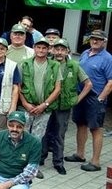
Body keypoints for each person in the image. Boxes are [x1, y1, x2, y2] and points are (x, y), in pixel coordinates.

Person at [65, 30, 112, 172]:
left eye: (98, 39)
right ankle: (80, 154)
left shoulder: (108, 58)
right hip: (81, 94)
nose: (95, 41)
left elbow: (110, 82)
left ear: (104, 41)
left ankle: (95, 162)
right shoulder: (85, 53)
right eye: (93, 38)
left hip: (95, 97)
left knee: (96, 128)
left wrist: (100, 98)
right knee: (80, 124)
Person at [43, 39, 91, 175]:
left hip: (63, 106)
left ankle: (58, 162)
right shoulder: (47, 63)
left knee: (59, 134)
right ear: (52, 50)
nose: (59, 52)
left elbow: (88, 84)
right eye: (57, 49)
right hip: (48, 103)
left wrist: (77, 99)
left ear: (67, 51)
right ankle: (41, 158)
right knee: (44, 133)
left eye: (62, 49)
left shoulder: (74, 66)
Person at [18, 37, 62, 179]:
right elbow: (18, 86)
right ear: (34, 48)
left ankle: (33, 167)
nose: (41, 50)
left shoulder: (55, 65)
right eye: (39, 47)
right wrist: (24, 103)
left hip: (44, 108)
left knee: (37, 138)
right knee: (22, 135)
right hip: (27, 106)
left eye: (44, 48)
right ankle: (19, 164)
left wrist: (45, 104)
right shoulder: (24, 64)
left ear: (49, 49)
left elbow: (57, 88)